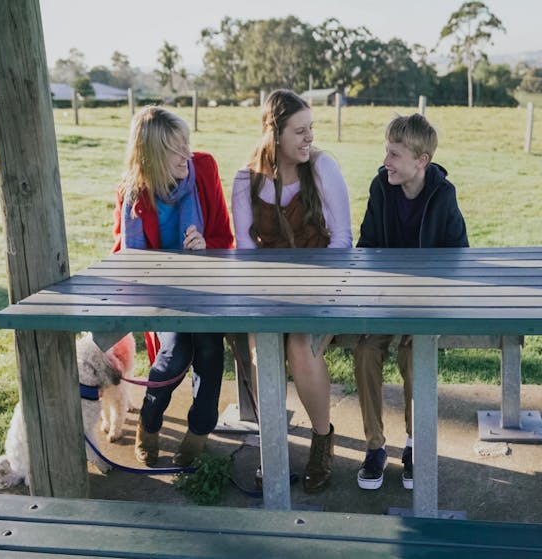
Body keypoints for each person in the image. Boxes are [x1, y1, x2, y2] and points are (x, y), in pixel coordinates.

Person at [231, 89, 352, 493]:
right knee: (260, 345)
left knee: (301, 344)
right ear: (274, 133)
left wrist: (313, 291)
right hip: (269, 293)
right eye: (299, 131)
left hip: (324, 288)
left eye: (311, 129)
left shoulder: (322, 169)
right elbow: (246, 254)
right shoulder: (246, 180)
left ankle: (322, 437)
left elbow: (342, 241)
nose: (309, 139)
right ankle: (272, 449)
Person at [112, 106, 234, 468]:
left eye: (187, 145)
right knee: (173, 356)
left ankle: (199, 432)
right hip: (160, 297)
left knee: (210, 351)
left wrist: (205, 247)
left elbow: (224, 238)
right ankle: (148, 424)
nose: (187, 155)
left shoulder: (205, 168)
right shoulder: (131, 194)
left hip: (206, 289)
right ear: (150, 157)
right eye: (175, 150)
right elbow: (123, 257)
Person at [354, 113, 469, 490]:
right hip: (385, 297)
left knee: (413, 352)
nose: (386, 161)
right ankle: (374, 446)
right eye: (386, 152)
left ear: (422, 161)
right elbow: (367, 244)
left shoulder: (443, 193)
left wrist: (428, 301)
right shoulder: (380, 186)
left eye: (394, 154)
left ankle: (415, 443)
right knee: (366, 350)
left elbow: (459, 255)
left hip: (425, 301)